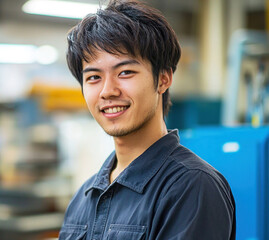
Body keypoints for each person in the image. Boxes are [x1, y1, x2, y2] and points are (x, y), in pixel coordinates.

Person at [59, 0, 236, 239]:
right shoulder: (84, 198)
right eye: (93, 77)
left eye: (125, 72)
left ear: (163, 79)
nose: (107, 91)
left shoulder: (192, 187)